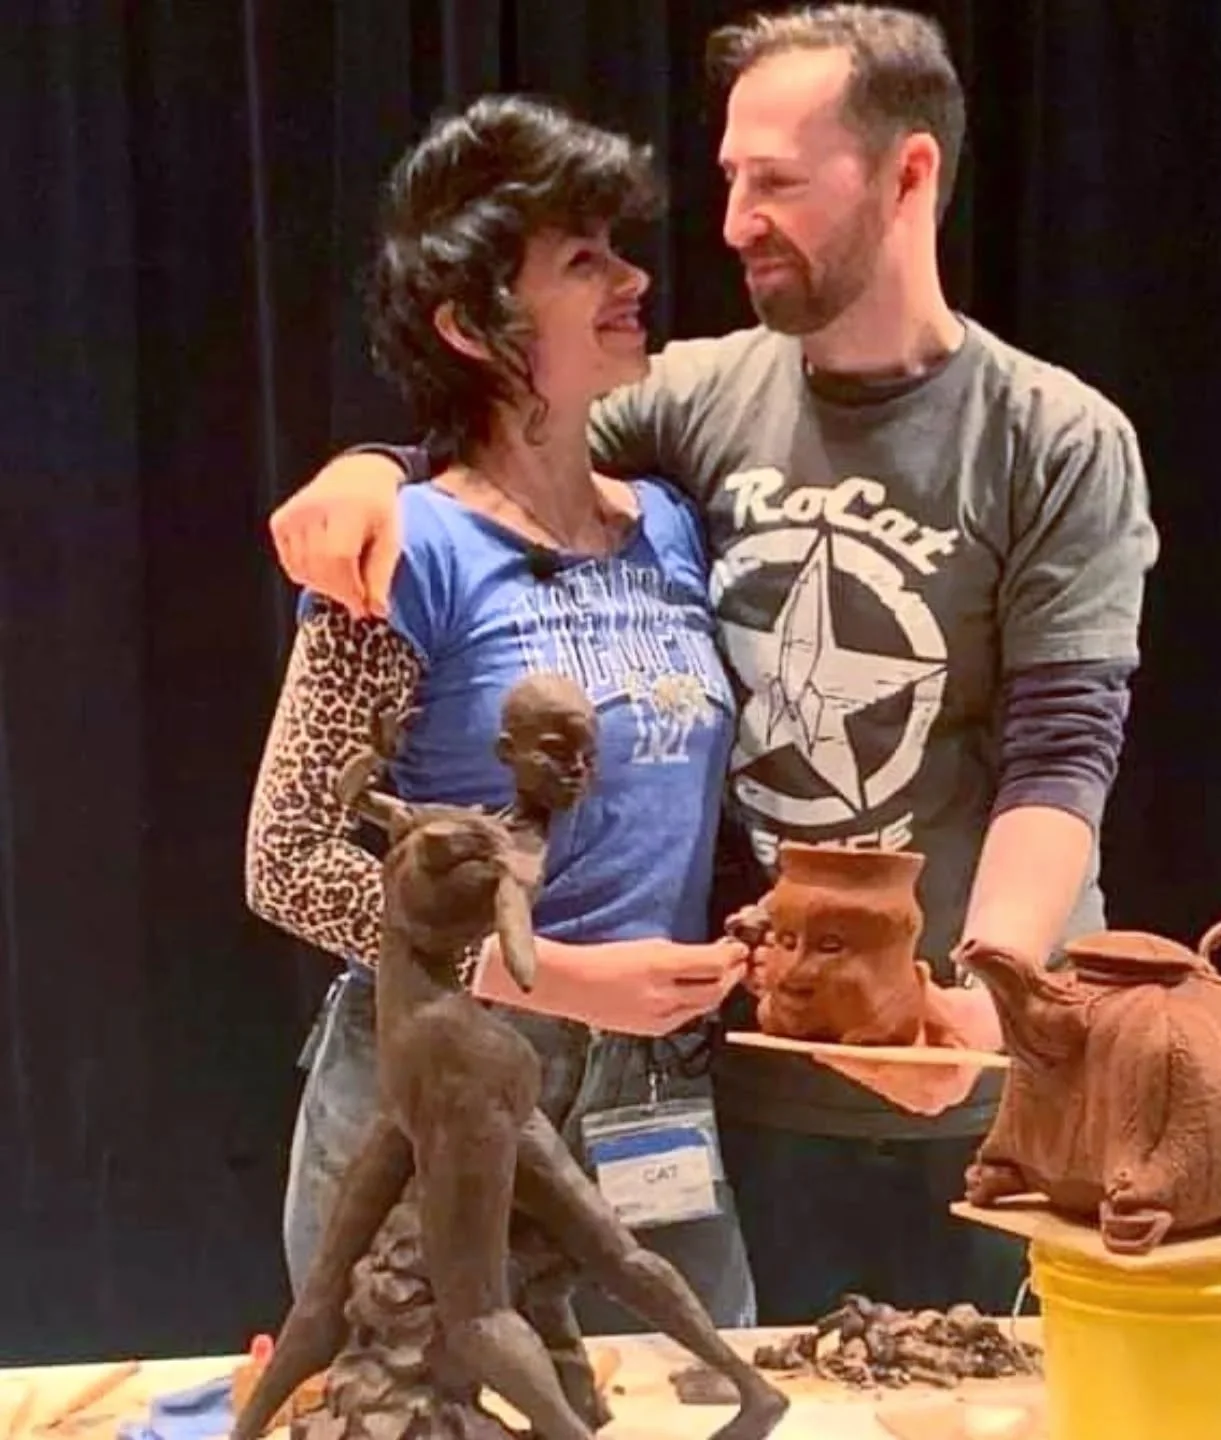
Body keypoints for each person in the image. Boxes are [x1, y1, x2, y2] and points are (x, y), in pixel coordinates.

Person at [265, 3, 1161, 1322]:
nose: (732, 222)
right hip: (729, 1081)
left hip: (969, 1069)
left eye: (776, 182)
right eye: (731, 177)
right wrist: (370, 471)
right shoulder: (687, 405)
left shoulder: (1048, 437)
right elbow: (497, 442)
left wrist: (981, 998)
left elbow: (1061, 758)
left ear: (908, 173)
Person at [244, 92, 759, 1331]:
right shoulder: (402, 552)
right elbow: (286, 859)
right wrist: (559, 977)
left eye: (617, 249)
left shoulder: (669, 525)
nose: (634, 280)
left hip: (650, 1095)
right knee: (422, 1398)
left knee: (696, 1391)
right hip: (443, 1076)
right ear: (473, 325)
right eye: (584, 262)